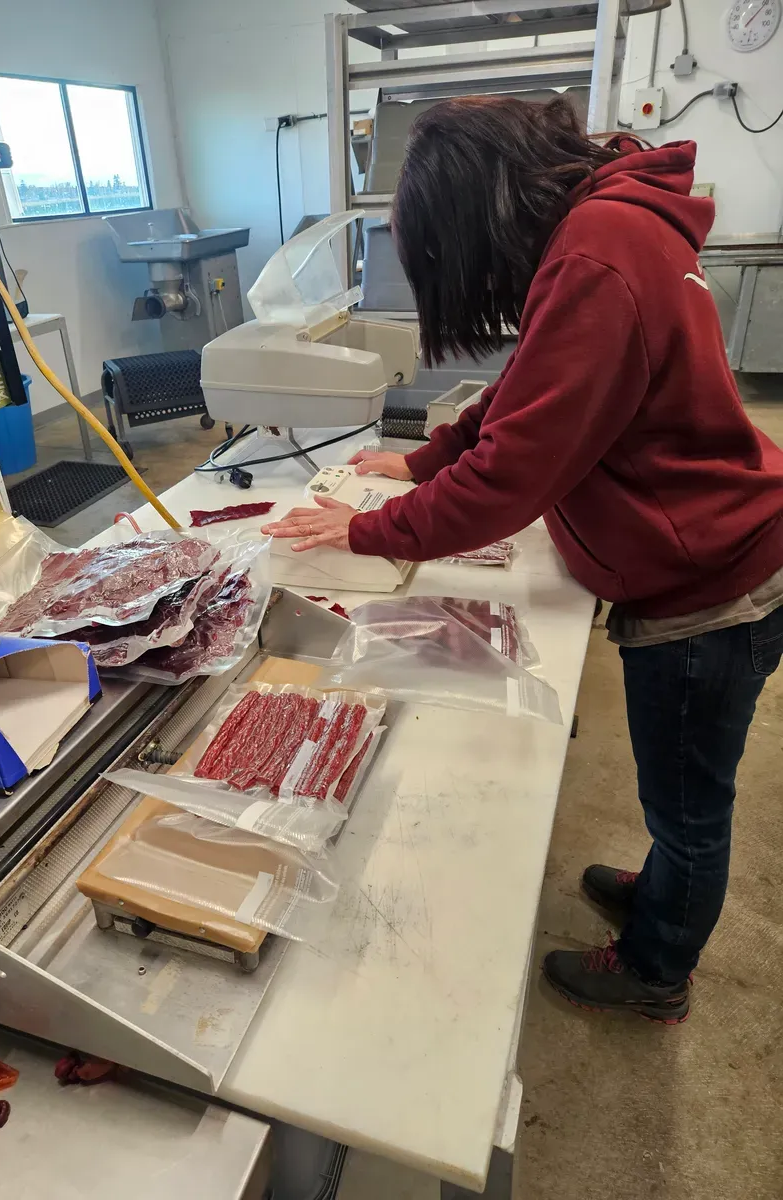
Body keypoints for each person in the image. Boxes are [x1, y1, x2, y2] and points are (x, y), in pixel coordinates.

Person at [263, 95, 783, 1025]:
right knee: (680, 780)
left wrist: (370, 529)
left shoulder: (597, 249)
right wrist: (424, 459)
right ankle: (665, 883)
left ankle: (658, 968)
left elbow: (515, 473)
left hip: (711, 581)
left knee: (690, 801)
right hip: (705, 548)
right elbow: (524, 385)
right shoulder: (607, 225)